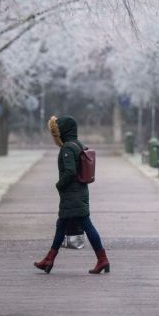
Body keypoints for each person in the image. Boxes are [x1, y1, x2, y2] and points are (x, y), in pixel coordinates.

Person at [34, 115, 110, 274]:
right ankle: (49, 260)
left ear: (64, 130)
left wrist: (59, 185)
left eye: (58, 130)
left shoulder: (68, 147)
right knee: (61, 225)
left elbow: (70, 172)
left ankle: (102, 260)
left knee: (86, 226)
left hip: (72, 195)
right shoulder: (78, 144)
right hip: (79, 193)